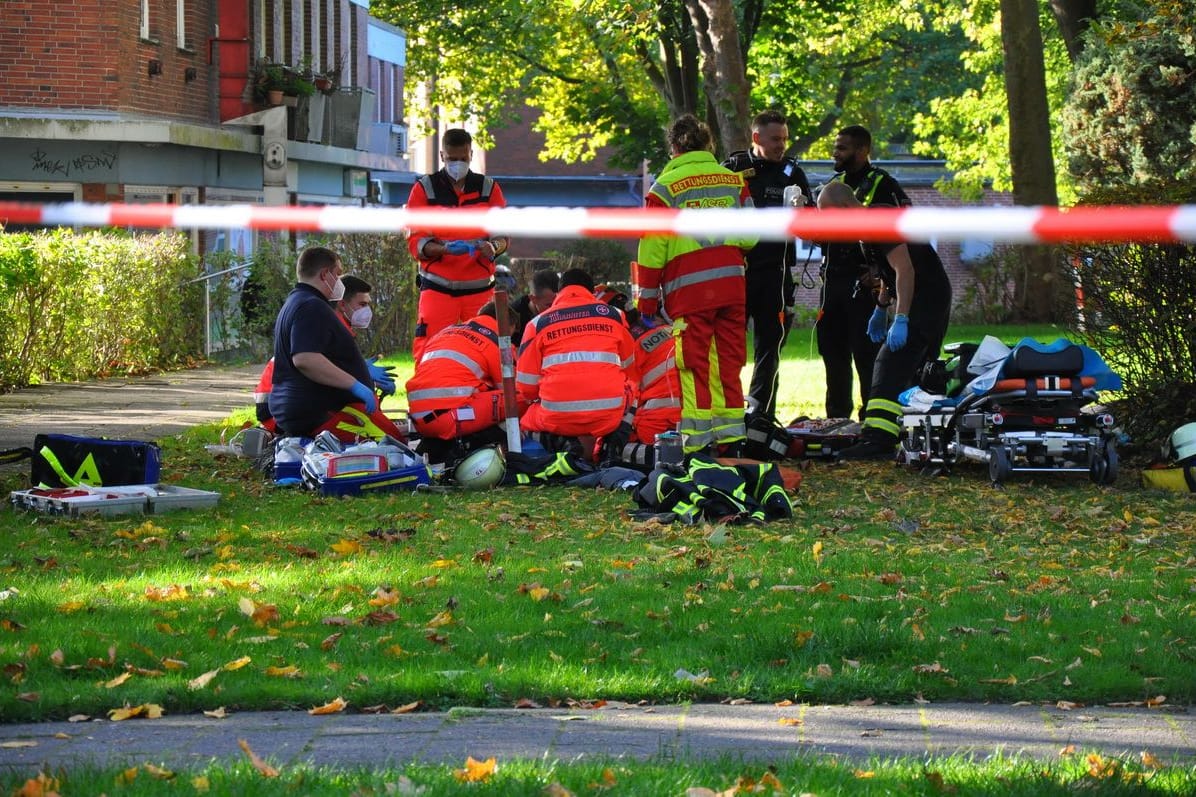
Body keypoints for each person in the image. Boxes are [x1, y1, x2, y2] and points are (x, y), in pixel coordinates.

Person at [635, 114, 755, 455]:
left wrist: (645, 303)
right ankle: (732, 441)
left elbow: (652, 252)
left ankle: (699, 447)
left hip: (690, 295)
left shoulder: (664, 189)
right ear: (709, 145)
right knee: (728, 364)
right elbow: (751, 236)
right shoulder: (734, 181)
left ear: (673, 147)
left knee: (694, 367)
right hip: (731, 290)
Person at [817, 182, 951, 459]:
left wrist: (900, 317)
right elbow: (889, 278)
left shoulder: (878, 221)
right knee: (915, 368)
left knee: (889, 360)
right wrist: (880, 308)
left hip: (927, 298)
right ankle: (911, 434)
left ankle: (877, 440)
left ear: (844, 208)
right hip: (919, 297)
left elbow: (905, 271)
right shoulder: (864, 234)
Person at [723, 110, 813, 421]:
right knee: (729, 349)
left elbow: (811, 229)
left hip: (776, 275)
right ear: (757, 137)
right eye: (776, 139)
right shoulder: (732, 169)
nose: (782, 145)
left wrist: (802, 214)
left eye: (785, 139)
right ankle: (728, 412)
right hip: (736, 275)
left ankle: (761, 416)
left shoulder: (793, 175)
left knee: (770, 351)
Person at [817, 124, 911, 420]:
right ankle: (837, 417)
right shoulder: (833, 185)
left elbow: (902, 228)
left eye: (842, 148)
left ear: (862, 150)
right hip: (832, 280)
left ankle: (873, 418)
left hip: (865, 281)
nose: (836, 153)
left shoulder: (883, 183)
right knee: (832, 353)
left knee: (867, 355)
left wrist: (880, 274)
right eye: (836, 146)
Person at [268, 246, 406, 442]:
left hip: (305, 409)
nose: (340, 282)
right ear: (325, 274)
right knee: (397, 448)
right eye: (338, 274)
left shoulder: (296, 302)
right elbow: (306, 359)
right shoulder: (312, 306)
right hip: (323, 413)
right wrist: (355, 385)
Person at [406, 128, 510, 360]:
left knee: (487, 352)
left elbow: (503, 236)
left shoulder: (488, 188)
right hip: (438, 288)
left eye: (463, 159)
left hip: (480, 291)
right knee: (431, 351)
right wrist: (444, 249)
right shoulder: (425, 190)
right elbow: (416, 241)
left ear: (471, 154)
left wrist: (493, 247)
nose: (458, 164)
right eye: (453, 159)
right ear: (442, 156)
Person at [516, 268, 638, 457]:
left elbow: (526, 388)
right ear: (591, 291)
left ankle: (562, 444)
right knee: (632, 392)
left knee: (525, 420)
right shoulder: (615, 315)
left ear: (559, 290)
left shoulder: (537, 324)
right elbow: (630, 370)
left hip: (557, 417)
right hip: (608, 417)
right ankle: (612, 444)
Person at [253, 275, 379, 430]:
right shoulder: (326, 323)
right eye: (362, 304)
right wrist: (359, 382)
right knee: (381, 438)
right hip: (278, 410)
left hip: (281, 404)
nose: (367, 311)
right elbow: (314, 364)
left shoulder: (332, 323)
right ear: (342, 304)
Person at [404, 303, 508, 463]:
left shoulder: (444, 333)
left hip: (420, 419)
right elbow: (508, 386)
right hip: (447, 418)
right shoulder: (494, 340)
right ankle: (494, 444)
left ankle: (442, 447)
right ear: (509, 326)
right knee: (517, 398)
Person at [594, 284, 681, 469]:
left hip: (656, 428)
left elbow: (624, 401)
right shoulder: (678, 333)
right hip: (696, 426)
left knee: (611, 452)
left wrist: (603, 448)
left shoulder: (631, 348)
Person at [510, 269, 560, 348]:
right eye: (549, 305)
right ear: (533, 298)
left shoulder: (563, 312)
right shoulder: (512, 316)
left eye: (558, 304)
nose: (554, 310)